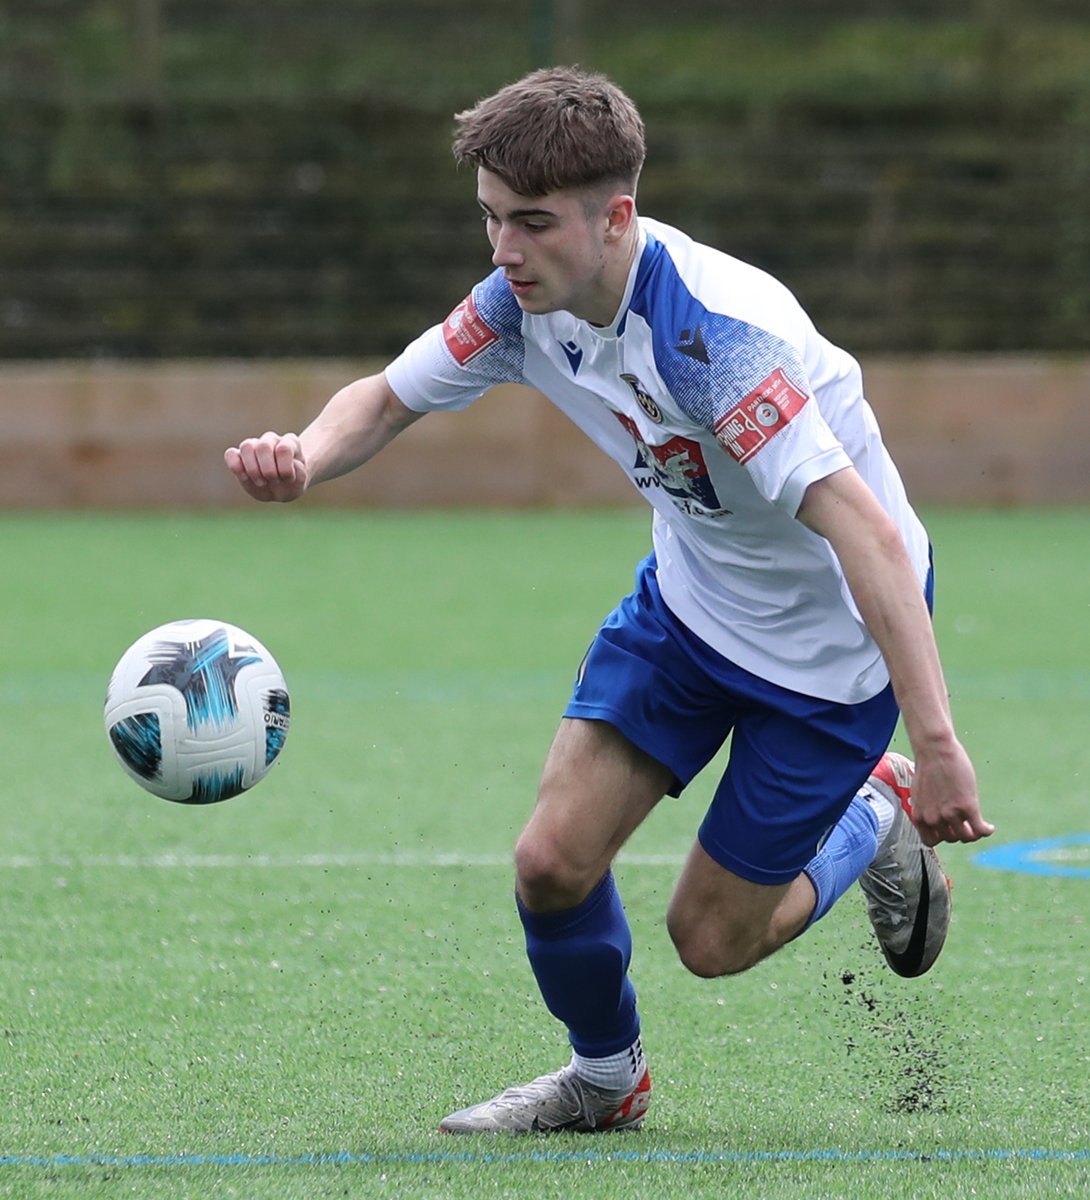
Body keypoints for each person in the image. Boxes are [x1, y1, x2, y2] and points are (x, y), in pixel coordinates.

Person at [225, 66, 994, 1134]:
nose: (503, 251)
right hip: (687, 611)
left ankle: (876, 807)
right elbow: (386, 398)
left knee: (711, 941)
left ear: (616, 216)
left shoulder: (715, 337)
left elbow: (865, 534)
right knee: (549, 863)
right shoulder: (517, 306)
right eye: (491, 219)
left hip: (829, 659)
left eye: (531, 224)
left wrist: (940, 738)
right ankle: (604, 1078)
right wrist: (302, 457)